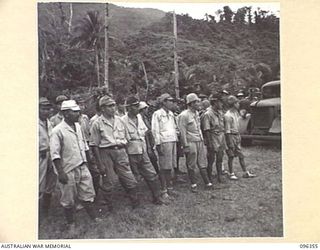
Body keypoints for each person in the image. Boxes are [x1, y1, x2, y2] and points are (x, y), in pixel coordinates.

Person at [50, 100, 101, 235]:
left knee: (88, 192)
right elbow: (54, 154)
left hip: (82, 165)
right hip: (67, 169)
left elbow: (83, 145)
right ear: (66, 113)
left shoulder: (78, 126)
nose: (77, 113)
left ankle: (94, 218)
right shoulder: (57, 131)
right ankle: (71, 224)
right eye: (74, 111)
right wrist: (61, 172)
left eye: (77, 111)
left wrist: (88, 162)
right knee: (68, 199)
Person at [89, 96, 139, 211]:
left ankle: (135, 203)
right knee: (109, 180)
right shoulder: (97, 123)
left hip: (120, 151)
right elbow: (94, 145)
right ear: (102, 108)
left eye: (114, 105)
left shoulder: (120, 120)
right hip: (106, 152)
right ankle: (109, 206)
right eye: (109, 106)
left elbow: (127, 137)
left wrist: (124, 150)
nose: (113, 108)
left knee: (129, 177)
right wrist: (99, 163)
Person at [122, 96, 165, 205]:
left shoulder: (139, 118)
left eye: (138, 106)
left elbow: (145, 133)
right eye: (135, 106)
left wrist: (149, 148)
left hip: (142, 149)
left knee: (151, 174)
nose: (138, 108)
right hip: (131, 151)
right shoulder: (122, 120)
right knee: (134, 178)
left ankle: (157, 198)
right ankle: (136, 202)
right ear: (129, 108)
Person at [178, 93, 213, 193]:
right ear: (191, 103)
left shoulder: (197, 114)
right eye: (196, 102)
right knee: (191, 164)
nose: (199, 103)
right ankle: (193, 184)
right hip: (191, 142)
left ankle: (207, 183)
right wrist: (185, 145)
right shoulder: (184, 115)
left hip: (199, 141)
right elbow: (182, 132)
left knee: (202, 162)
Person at [151, 93, 178, 200]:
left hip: (172, 140)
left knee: (170, 166)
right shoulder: (157, 114)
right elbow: (155, 130)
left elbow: (173, 128)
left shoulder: (171, 114)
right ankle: (164, 190)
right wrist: (158, 144)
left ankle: (170, 188)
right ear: (164, 102)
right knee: (163, 167)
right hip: (163, 142)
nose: (172, 103)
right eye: (170, 101)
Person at [224, 95, 256, 180]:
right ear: (234, 104)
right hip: (231, 136)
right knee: (231, 156)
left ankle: (245, 172)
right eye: (237, 103)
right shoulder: (228, 115)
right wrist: (229, 141)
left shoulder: (236, 113)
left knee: (241, 155)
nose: (238, 104)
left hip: (237, 135)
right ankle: (231, 173)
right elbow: (227, 130)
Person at [201, 93, 226, 183]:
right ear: (215, 102)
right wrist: (209, 143)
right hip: (212, 137)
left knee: (220, 158)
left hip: (221, 137)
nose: (222, 104)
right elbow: (206, 129)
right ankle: (209, 176)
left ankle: (219, 176)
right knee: (211, 159)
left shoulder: (220, 112)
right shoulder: (208, 114)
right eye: (220, 102)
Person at [39, 97, 57, 219]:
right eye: (43, 109)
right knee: (39, 182)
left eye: (48, 109)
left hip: (51, 154)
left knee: (51, 182)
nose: (46, 111)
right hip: (40, 155)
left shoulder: (49, 122)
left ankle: (45, 209)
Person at [139, 101, 159, 174]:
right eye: (145, 109)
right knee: (150, 158)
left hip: (150, 141)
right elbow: (145, 133)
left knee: (153, 158)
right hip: (145, 142)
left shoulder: (145, 118)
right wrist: (149, 147)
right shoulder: (140, 118)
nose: (147, 110)